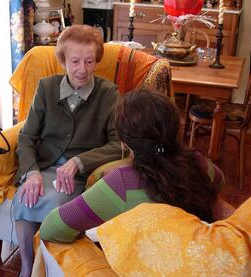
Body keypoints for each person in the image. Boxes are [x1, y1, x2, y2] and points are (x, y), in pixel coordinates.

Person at [40, 88, 225, 243]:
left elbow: (50, 229)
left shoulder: (121, 183)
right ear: (175, 129)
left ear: (123, 142)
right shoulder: (199, 163)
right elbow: (219, 182)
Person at [13, 25, 122, 276]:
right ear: (62, 61)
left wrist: (80, 162)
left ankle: (51, 267)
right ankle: (28, 266)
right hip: (45, 165)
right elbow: (27, 135)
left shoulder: (109, 94)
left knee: (58, 203)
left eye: (89, 61)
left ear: (96, 60)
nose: (82, 69)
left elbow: (118, 145)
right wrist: (31, 172)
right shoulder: (46, 88)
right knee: (25, 196)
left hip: (82, 175)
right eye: (74, 61)